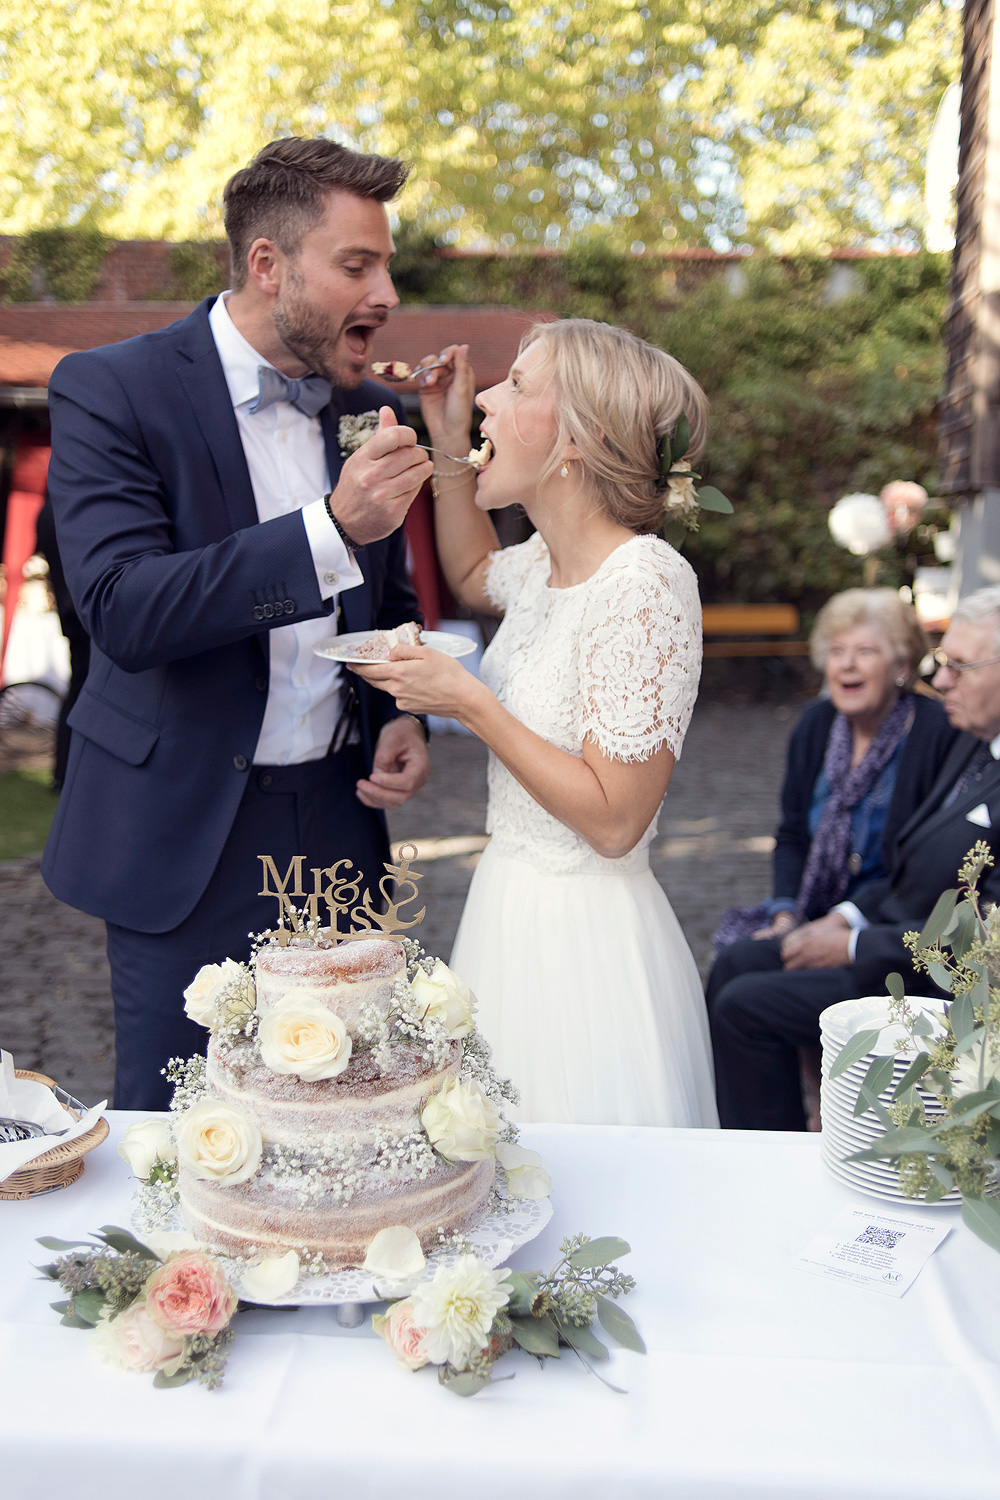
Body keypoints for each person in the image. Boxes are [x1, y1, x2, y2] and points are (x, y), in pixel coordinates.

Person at [41, 137, 435, 1109]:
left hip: (338, 820)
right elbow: (124, 610)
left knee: (342, 1104)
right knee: (185, 1115)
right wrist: (328, 528)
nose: (384, 292)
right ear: (268, 264)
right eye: (357, 265)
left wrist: (398, 710)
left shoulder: (370, 409)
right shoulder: (111, 390)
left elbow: (389, 600)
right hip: (184, 826)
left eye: (384, 264)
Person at [351, 319, 719, 1128]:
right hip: (507, 910)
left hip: (587, 950)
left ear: (578, 441)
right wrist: (448, 440)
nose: (486, 395)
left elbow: (617, 822)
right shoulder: (545, 567)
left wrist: (470, 703)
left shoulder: (645, 583)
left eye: (517, 386)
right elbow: (473, 572)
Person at [707, 584, 1000, 1131]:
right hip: (880, 919)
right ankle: (761, 1132)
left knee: (745, 1007)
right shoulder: (972, 742)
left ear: (898, 663)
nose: (943, 682)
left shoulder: (943, 733)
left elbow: (981, 934)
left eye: (960, 666)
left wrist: (852, 941)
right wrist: (811, 915)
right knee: (734, 961)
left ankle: (783, 1157)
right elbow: (800, 833)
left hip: (921, 972)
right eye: (943, 664)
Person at [712, 588, 957, 948]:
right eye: (837, 651)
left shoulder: (935, 731)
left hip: (885, 924)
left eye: (865, 652)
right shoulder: (816, 723)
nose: (846, 664)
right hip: (811, 909)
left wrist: (842, 922)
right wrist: (785, 916)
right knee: (734, 960)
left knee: (744, 990)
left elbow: (923, 863)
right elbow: (792, 834)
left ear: (902, 667)